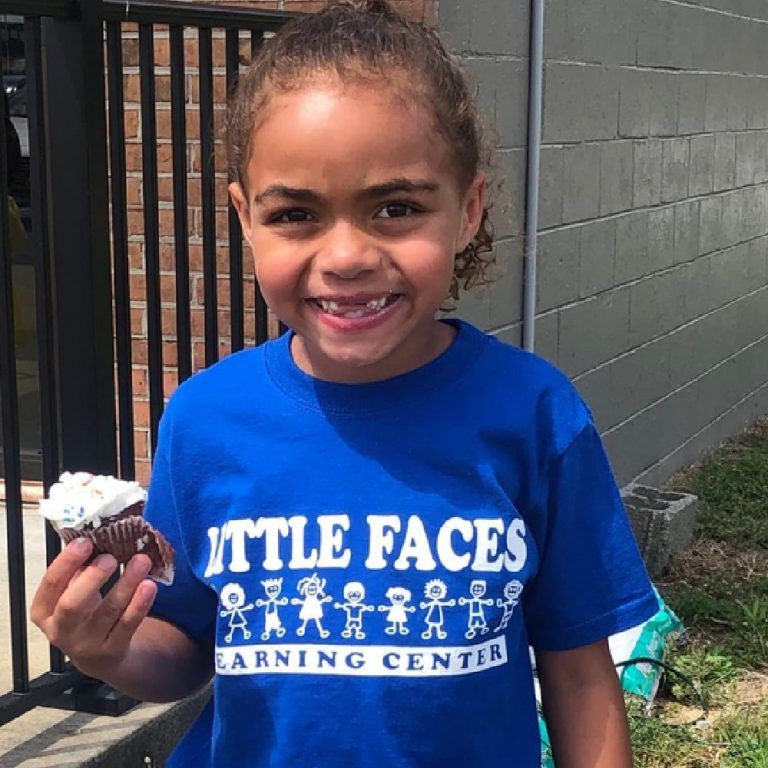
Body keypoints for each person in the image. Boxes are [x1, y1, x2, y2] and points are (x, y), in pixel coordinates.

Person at [31, 2, 659, 766]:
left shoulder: (534, 414)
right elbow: (187, 646)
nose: (347, 256)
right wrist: (106, 648)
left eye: (395, 207)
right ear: (246, 219)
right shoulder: (206, 418)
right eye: (296, 213)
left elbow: (580, 674)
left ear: (467, 210)